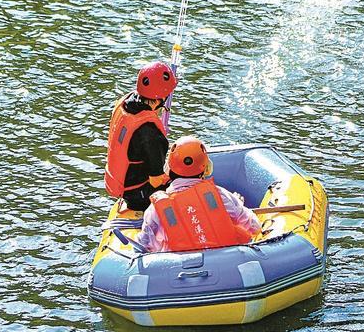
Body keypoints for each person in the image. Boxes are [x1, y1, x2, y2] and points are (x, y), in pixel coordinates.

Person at [137, 136, 260, 253]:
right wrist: (238, 205)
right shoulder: (220, 195)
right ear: (205, 168)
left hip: (179, 271)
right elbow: (254, 226)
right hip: (225, 263)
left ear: (168, 167)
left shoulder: (155, 209)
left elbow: (144, 246)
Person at [106, 62, 177, 212]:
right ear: (160, 99)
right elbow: (157, 180)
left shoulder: (125, 103)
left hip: (119, 183)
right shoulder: (152, 135)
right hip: (139, 196)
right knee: (186, 179)